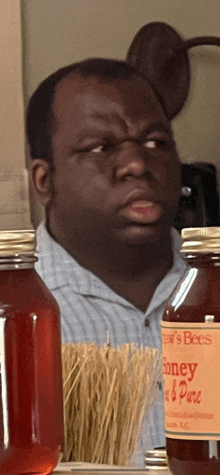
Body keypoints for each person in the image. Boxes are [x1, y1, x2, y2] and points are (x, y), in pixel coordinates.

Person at [26, 58, 187, 466]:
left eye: (156, 142)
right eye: (99, 148)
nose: (138, 164)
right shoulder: (14, 311)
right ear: (45, 182)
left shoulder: (210, 285)